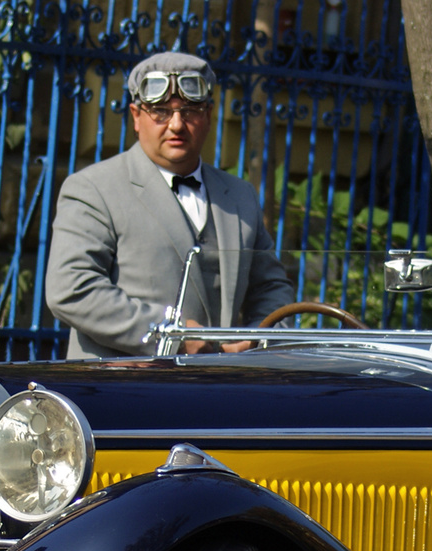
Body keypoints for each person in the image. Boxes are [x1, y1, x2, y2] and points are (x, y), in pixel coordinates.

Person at [44, 52, 293, 358]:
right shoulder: (94, 188)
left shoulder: (240, 195)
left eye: (189, 111)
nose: (176, 124)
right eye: (160, 112)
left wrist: (257, 336)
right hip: (120, 390)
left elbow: (271, 288)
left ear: (209, 115)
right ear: (136, 116)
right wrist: (172, 332)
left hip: (218, 391)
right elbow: (71, 290)